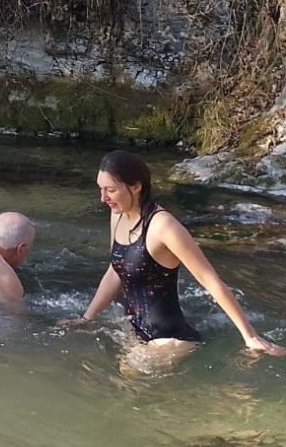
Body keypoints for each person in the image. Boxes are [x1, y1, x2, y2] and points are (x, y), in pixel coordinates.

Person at [61, 150, 285, 367]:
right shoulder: (118, 214)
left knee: (127, 374)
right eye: (100, 189)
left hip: (169, 337)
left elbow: (210, 281)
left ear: (136, 186)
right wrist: (87, 319)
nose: (103, 198)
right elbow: (115, 271)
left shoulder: (163, 226)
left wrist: (250, 336)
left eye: (110, 190)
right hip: (134, 330)